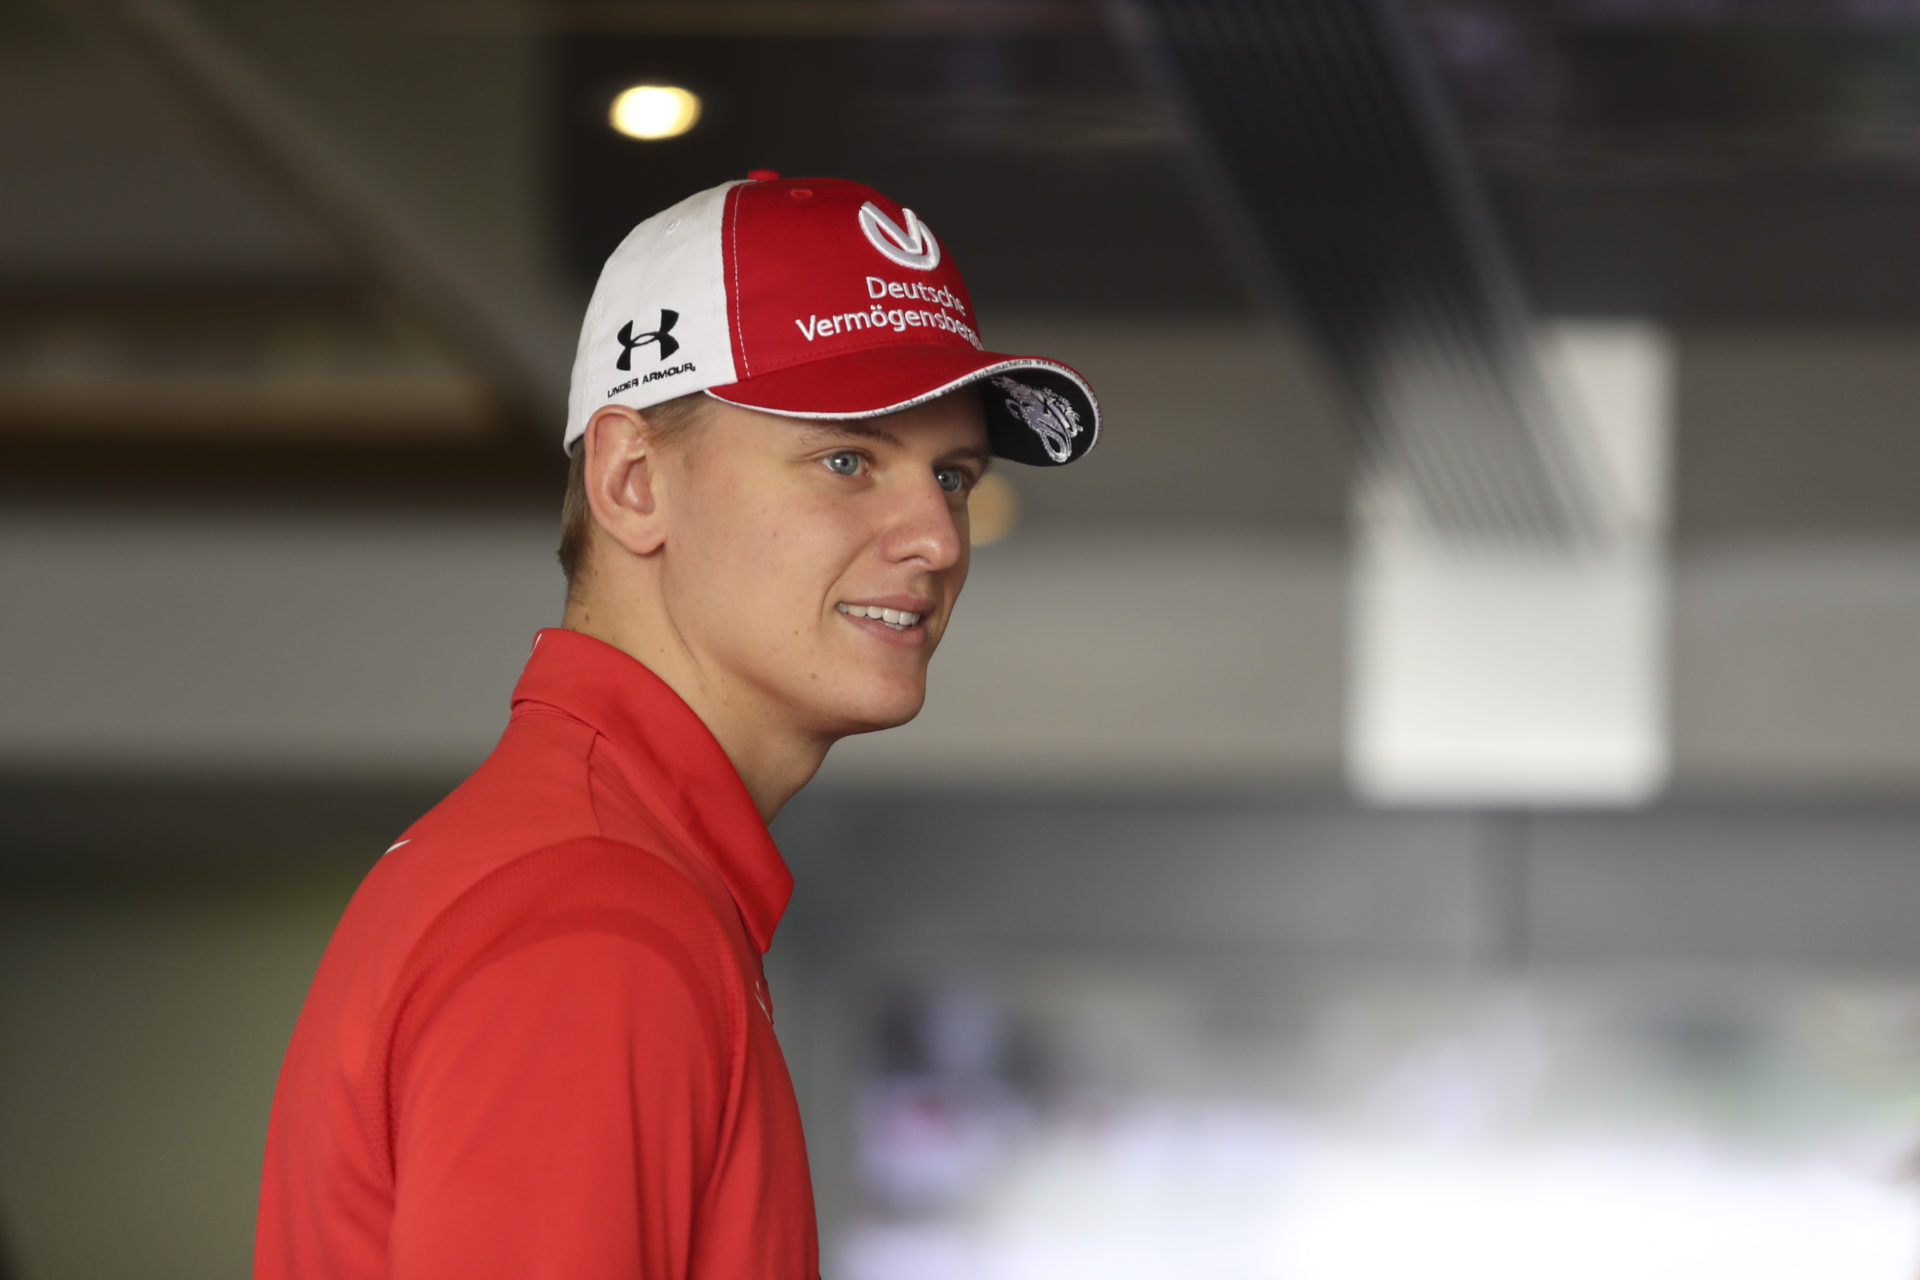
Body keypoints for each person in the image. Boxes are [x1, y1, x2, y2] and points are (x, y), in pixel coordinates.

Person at [253, 172, 1100, 1279]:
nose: (938, 538)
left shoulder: (601, 872)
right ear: (631, 480)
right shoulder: (594, 918)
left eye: (952, 475)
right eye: (848, 460)